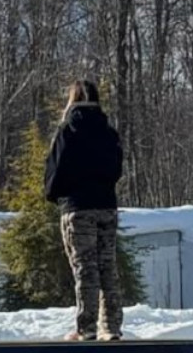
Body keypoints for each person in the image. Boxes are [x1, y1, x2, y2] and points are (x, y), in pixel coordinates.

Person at [43, 80, 124, 342]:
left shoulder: (68, 131)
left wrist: (57, 195)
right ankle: (110, 326)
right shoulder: (109, 133)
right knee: (107, 266)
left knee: (85, 267)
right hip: (106, 206)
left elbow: (54, 173)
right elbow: (116, 170)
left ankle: (86, 326)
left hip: (78, 208)